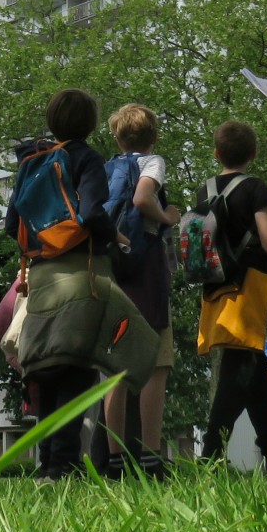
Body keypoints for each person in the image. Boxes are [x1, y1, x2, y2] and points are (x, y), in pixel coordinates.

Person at [5, 88, 157, 481]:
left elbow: (11, 225)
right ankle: (65, 465)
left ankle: (45, 465)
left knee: (45, 371)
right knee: (75, 370)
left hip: (39, 277)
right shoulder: (86, 158)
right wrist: (116, 238)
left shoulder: (31, 161)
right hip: (81, 272)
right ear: (90, 124)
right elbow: (91, 212)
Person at [195, 120, 267, 480]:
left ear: (216, 153)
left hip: (214, 286)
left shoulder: (203, 190)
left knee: (251, 365)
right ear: (253, 154)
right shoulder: (254, 187)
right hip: (250, 284)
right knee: (241, 366)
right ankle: (211, 456)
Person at [101, 103, 182, 476]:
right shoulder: (152, 163)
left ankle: (114, 457)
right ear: (154, 136)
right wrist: (167, 216)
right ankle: (151, 457)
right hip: (147, 269)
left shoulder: (107, 169)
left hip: (114, 271)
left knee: (115, 366)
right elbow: (141, 198)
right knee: (156, 363)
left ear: (117, 138)